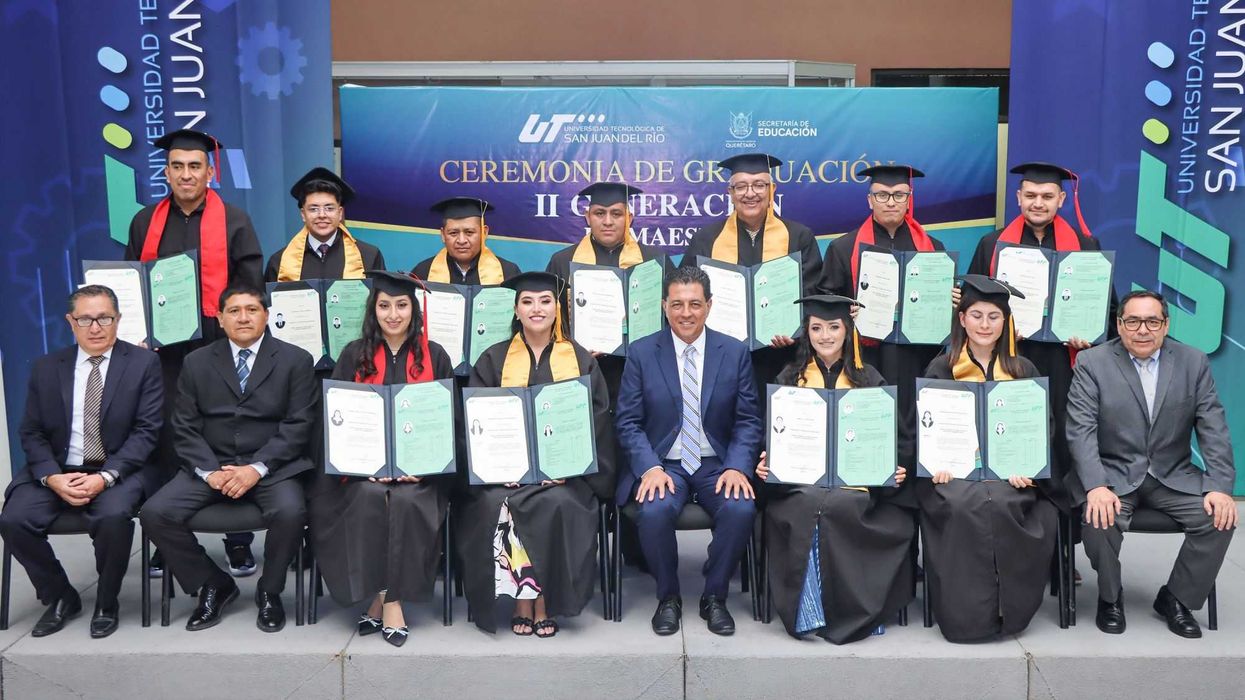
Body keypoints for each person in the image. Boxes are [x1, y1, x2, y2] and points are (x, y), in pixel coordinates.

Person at [124, 129, 264, 578]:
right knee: (167, 434)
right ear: (166, 172)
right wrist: (137, 328)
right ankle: (170, 536)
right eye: (178, 166)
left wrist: (235, 331)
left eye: (195, 166)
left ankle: (237, 540)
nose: (186, 174)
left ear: (210, 172)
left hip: (219, 346)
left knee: (227, 431)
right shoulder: (145, 222)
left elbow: (250, 288)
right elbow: (133, 283)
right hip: (162, 353)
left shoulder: (235, 221)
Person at [140, 285, 317, 633]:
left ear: (267, 315)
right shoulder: (197, 362)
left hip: (272, 468)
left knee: (291, 511)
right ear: (220, 319)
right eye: (234, 311)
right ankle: (212, 584)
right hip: (212, 465)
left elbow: (299, 425)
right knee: (155, 513)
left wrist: (256, 468)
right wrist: (209, 473)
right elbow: (184, 426)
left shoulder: (296, 360)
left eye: (252, 309)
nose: (243, 317)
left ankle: (269, 591)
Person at [1065, 290, 1236, 638]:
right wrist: (1096, 485)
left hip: (1173, 476)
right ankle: (1110, 598)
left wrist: (1219, 487)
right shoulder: (1091, 362)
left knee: (1220, 519)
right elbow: (1080, 430)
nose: (1142, 330)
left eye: (1152, 321)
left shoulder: (1193, 362)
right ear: (1119, 324)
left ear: (1165, 324)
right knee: (1098, 519)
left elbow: (1213, 428)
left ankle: (1176, 598)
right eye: (1133, 321)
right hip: (1112, 475)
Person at [457, 271, 616, 637]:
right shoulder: (493, 358)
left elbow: (596, 422)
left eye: (545, 301)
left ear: (557, 308)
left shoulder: (579, 359)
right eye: (527, 302)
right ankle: (521, 598)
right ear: (516, 309)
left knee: (558, 501)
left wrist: (568, 467)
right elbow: (477, 421)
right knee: (497, 503)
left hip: (564, 476)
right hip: (506, 475)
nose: (536, 309)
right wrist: (498, 468)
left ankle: (543, 598)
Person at [751, 294, 914, 642]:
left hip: (855, 486)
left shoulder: (870, 380)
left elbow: (896, 438)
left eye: (834, 327)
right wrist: (768, 467)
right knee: (812, 506)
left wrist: (893, 469)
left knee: (840, 505)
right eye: (816, 328)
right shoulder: (789, 379)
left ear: (847, 330)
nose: (825, 336)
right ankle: (810, 610)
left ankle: (858, 611)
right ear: (806, 331)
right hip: (800, 487)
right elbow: (772, 439)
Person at [1, 286, 162, 638]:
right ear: (70, 322)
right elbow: (31, 432)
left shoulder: (143, 364)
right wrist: (51, 478)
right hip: (59, 469)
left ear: (118, 320)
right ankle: (60, 596)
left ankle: (107, 601)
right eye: (85, 319)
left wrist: (105, 477)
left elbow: (147, 432)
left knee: (114, 515)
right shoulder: (46, 367)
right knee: (14, 520)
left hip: (118, 468)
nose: (95, 327)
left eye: (104, 317)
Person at [308, 271, 455, 647]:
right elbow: (335, 418)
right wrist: (363, 466)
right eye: (385, 305)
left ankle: (387, 601)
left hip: (418, 476)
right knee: (371, 498)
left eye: (402, 305)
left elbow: (444, 421)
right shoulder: (353, 354)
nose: (393, 314)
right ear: (374, 310)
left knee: (405, 502)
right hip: (361, 475)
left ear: (414, 310)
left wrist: (420, 466)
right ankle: (388, 598)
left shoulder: (434, 355)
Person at [615, 266, 763, 636]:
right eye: (677, 304)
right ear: (664, 306)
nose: (686, 313)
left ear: (709, 306)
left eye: (695, 304)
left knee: (740, 507)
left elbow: (748, 420)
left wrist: (737, 467)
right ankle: (668, 597)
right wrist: (649, 467)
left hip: (716, 462)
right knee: (654, 509)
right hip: (665, 463)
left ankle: (714, 596)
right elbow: (628, 422)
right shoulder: (642, 352)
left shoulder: (733, 352)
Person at [917, 274, 1057, 642]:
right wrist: (935, 464)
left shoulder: (1023, 371)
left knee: (1002, 501)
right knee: (967, 504)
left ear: (1005, 322)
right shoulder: (941, 368)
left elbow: (1043, 428)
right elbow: (922, 427)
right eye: (976, 315)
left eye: (993, 316)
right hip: (955, 478)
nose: (984, 324)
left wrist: (1029, 468)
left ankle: (1009, 611)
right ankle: (966, 618)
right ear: (961, 319)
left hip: (1011, 477)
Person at [968, 162, 1109, 520]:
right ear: (1018, 197)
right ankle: (1012, 531)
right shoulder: (993, 244)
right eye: (1030, 195)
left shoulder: (1086, 245)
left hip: (1064, 364)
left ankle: (1062, 543)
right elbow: (972, 303)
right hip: (1011, 359)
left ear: (1061, 199)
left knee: (1061, 445)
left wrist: (1087, 334)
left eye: (1047, 196)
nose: (1038, 203)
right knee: (1013, 440)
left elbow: (1107, 308)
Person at [819, 164, 951, 472]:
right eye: (882, 195)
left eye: (898, 195)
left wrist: (950, 304)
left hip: (915, 358)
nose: (890, 201)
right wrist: (844, 312)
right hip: (866, 358)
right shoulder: (843, 248)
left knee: (913, 426)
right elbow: (825, 303)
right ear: (870, 200)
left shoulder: (935, 251)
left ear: (909, 198)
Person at [682, 153, 823, 402]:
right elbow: (686, 292)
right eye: (741, 186)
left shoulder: (799, 237)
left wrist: (796, 329)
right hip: (721, 358)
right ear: (730, 192)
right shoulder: (706, 239)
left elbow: (813, 293)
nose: (751, 193)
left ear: (772, 190)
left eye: (759, 185)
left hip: (781, 359)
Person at [546, 182, 669, 399]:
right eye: (599, 213)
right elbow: (551, 321)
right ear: (587, 217)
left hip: (642, 372)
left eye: (616, 214)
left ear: (629, 217)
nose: (608, 221)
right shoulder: (563, 261)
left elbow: (672, 315)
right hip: (583, 371)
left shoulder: (654, 261)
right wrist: (575, 347)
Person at [264, 167, 385, 282]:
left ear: (340, 212)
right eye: (313, 209)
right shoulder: (279, 262)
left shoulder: (368, 256)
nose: (322, 215)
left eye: (329, 208)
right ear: (303, 214)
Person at [411, 197, 520, 285]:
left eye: (469, 232)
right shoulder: (422, 272)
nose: (461, 240)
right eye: (453, 233)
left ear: (484, 233)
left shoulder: (508, 272)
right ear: (443, 235)